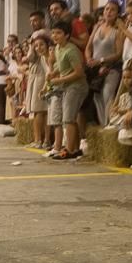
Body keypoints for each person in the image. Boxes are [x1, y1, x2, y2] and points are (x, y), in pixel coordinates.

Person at [46, 20, 88, 160]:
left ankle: (69, 150)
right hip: (67, 86)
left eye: (58, 33)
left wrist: (60, 80)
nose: (55, 36)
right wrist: (54, 72)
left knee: (68, 118)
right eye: (53, 33)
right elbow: (62, 67)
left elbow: (79, 72)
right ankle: (74, 148)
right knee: (69, 118)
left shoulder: (71, 50)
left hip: (76, 86)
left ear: (67, 35)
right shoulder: (58, 48)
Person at [85, 0, 124, 125]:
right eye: (107, 9)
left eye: (113, 10)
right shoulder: (97, 27)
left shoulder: (118, 31)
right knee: (97, 97)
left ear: (118, 13)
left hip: (111, 68)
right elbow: (88, 47)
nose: (109, 12)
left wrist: (101, 61)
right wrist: (89, 59)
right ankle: (103, 125)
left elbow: (119, 53)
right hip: (95, 68)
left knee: (107, 95)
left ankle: (110, 124)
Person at [26, 33, 51, 148]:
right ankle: (41, 139)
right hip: (40, 81)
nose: (38, 48)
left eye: (41, 45)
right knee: (41, 111)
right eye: (36, 46)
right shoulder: (39, 57)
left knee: (41, 111)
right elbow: (29, 57)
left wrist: (45, 86)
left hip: (42, 81)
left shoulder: (49, 56)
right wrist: (32, 46)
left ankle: (42, 140)